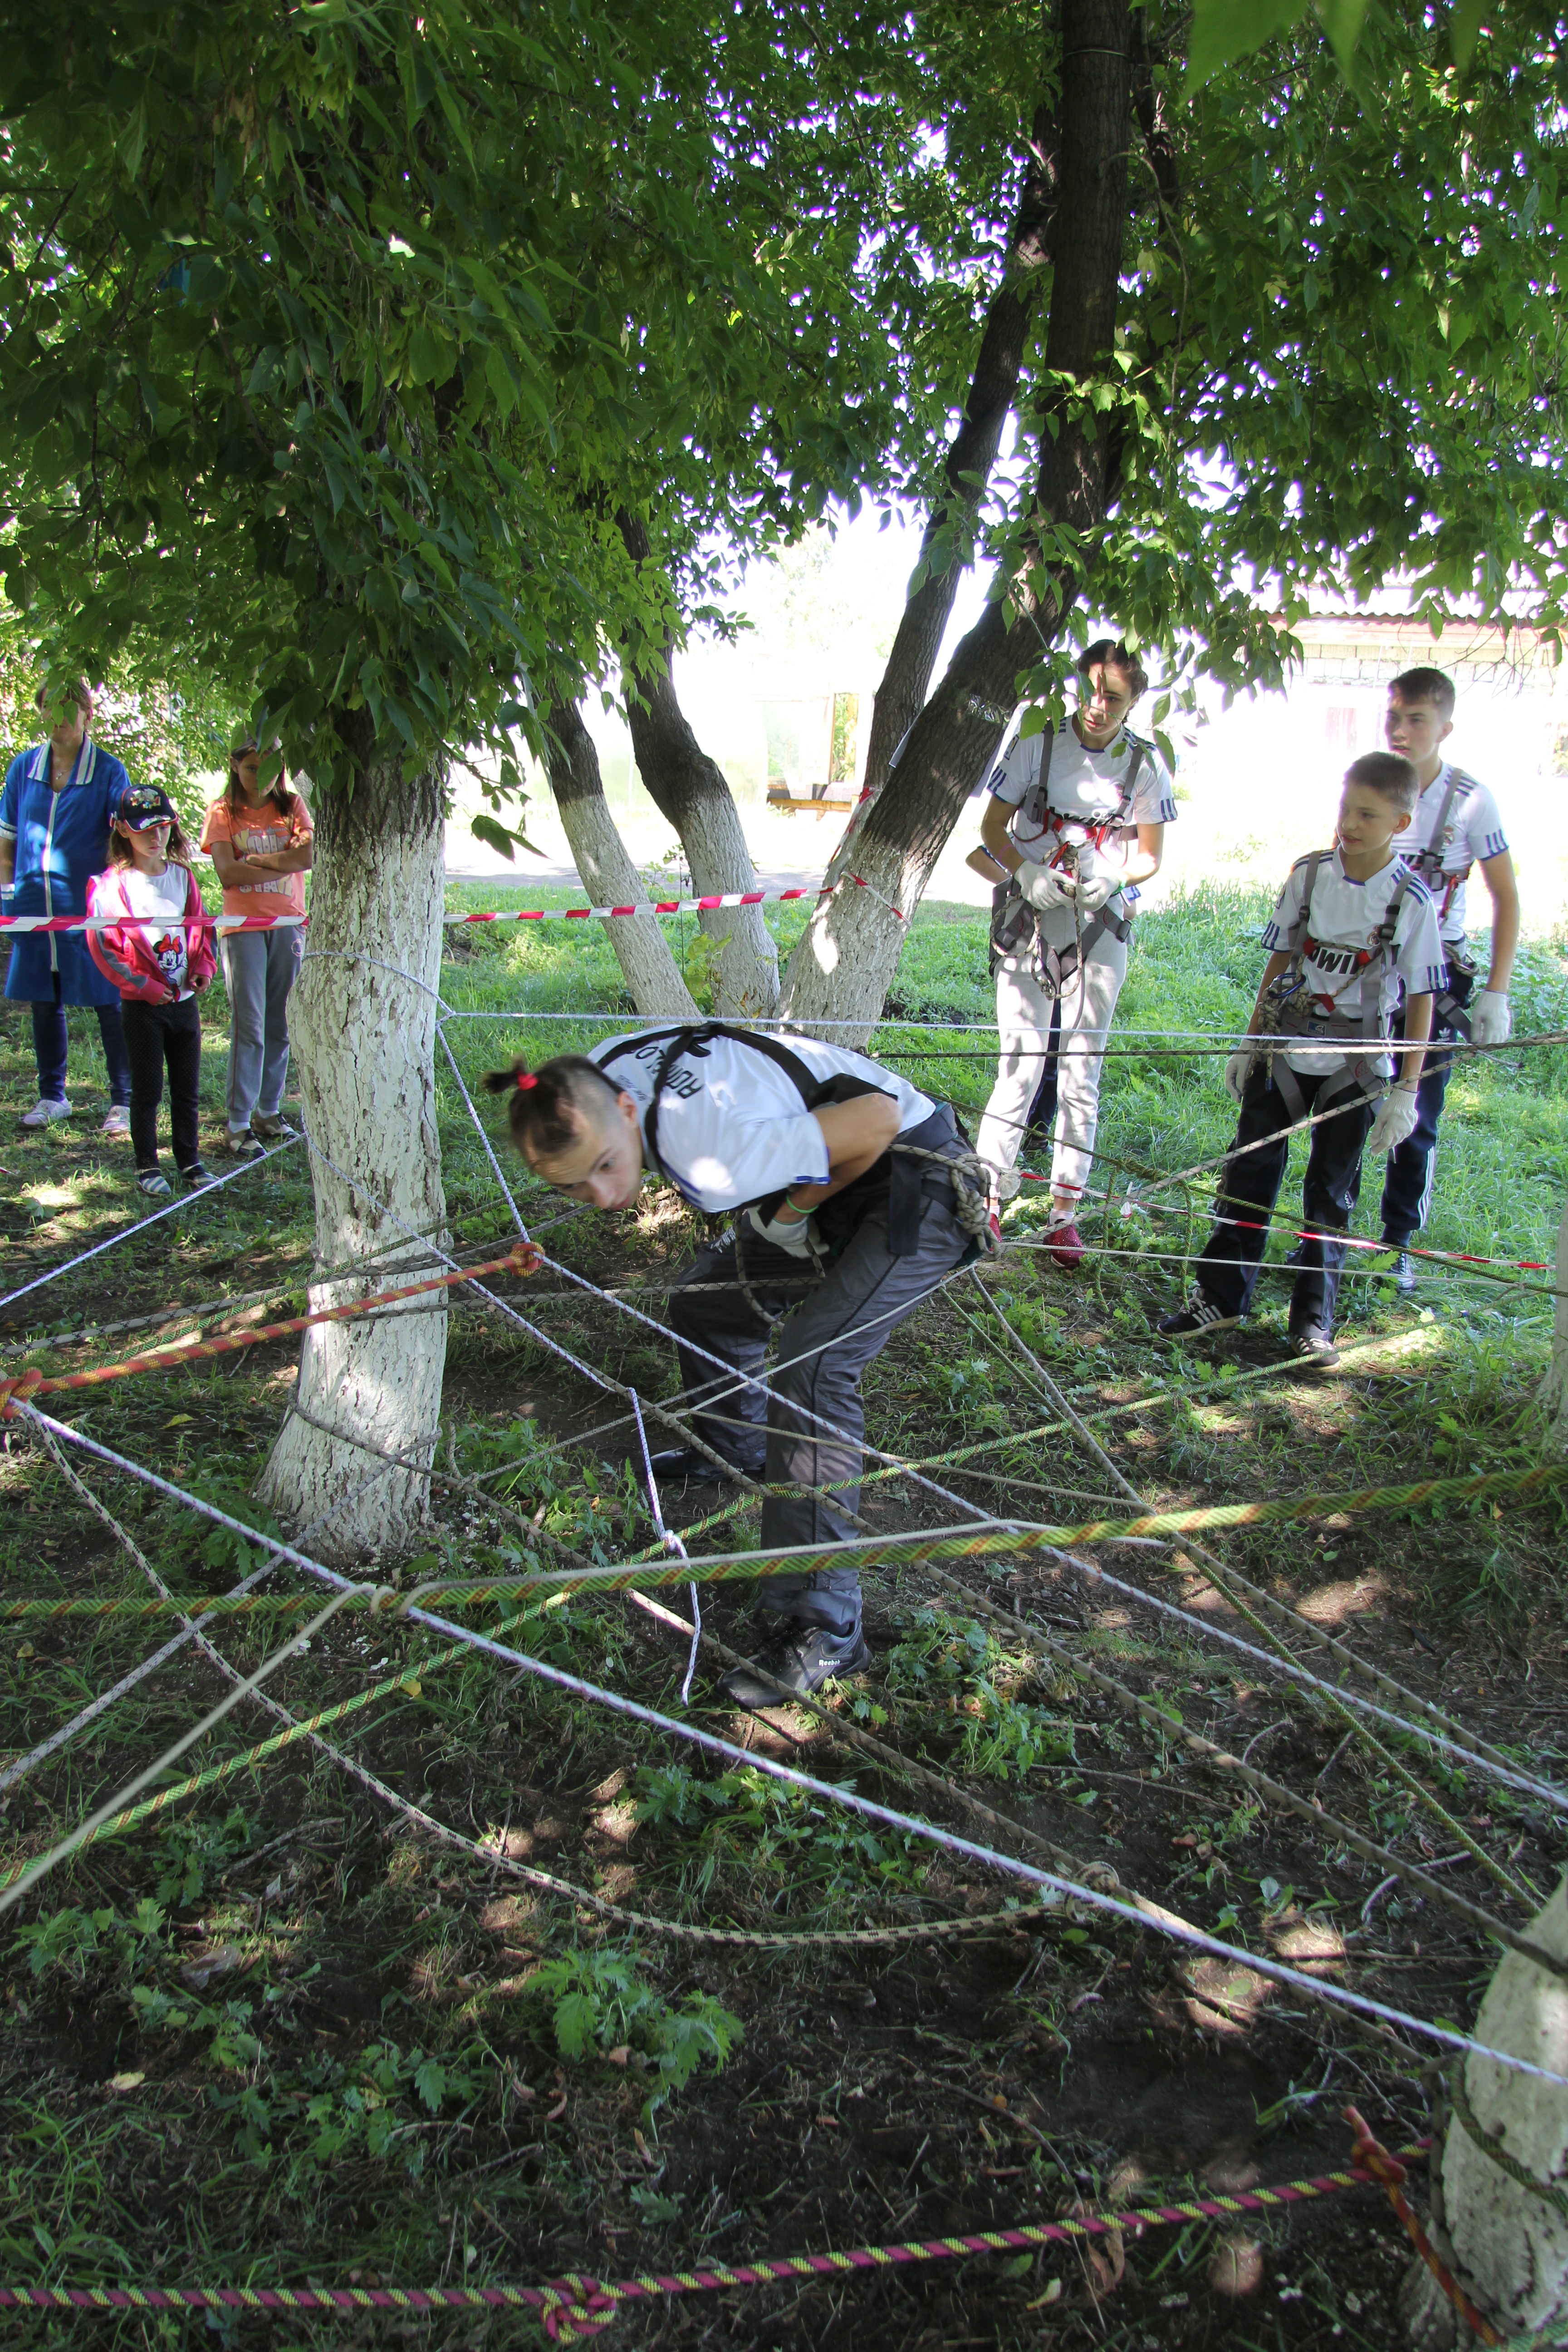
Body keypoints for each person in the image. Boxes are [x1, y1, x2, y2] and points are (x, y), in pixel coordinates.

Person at [482, 1026, 990, 1703]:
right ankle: (737, 1448)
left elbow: (880, 1118)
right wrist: (793, 1208)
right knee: (707, 1304)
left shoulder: (709, 1156)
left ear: (627, 1111)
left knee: (815, 1365)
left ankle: (830, 1624)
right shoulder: (590, 1071)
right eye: (573, 1188)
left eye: (606, 1166)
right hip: (830, 1160)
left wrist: (795, 1209)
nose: (602, 1198)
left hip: (917, 1179)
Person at [1157, 752, 1444, 1369]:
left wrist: (1407, 1089)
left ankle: (1313, 1322)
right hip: (1285, 1049)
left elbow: (1421, 999)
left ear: (1401, 819)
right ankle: (1220, 1297)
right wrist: (1250, 1039)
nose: (1351, 823)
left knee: (1330, 1194)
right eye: (1346, 809)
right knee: (1248, 1173)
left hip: (1357, 1063)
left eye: (1368, 814)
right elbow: (1280, 961)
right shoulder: (1309, 876)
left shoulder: (1411, 900)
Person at [973, 640, 1175, 1269]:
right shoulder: (1038, 745)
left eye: (1113, 697)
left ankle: (1066, 1211)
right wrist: (1025, 872)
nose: (1097, 706)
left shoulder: (1144, 767)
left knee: (1083, 1067)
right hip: (1028, 914)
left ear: (1134, 700)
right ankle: (988, 1197)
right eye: (1090, 689)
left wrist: (1118, 878)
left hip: (1099, 924)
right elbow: (989, 831)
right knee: (1020, 1059)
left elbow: (1150, 854)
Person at [1377, 667, 1518, 1291]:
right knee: (1347, 1101)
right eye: (1394, 717)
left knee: (1417, 1112)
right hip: (1369, 966)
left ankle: (1397, 1242)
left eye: (1417, 720)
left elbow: (1506, 897)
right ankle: (1330, 1230)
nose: (1402, 731)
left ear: (1445, 727)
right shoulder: (1373, 784)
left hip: (1436, 974)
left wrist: (1496, 992)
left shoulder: (1470, 800)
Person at [0, 680, 133, 1133]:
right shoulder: (23, 769)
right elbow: (6, 846)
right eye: (50, 707)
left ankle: (124, 1100)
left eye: (69, 707)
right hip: (33, 905)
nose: (60, 716)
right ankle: (52, 1096)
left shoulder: (109, 771)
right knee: (43, 1001)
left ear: (88, 714)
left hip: (89, 909)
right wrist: (8, 900)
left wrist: (116, 902)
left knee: (108, 1002)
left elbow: (124, 844)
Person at [86, 788, 218, 1198]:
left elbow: (200, 931)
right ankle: (147, 1165)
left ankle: (190, 1160)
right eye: (144, 829)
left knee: (187, 1088)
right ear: (123, 830)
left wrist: (202, 968)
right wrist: (143, 986)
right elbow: (104, 948)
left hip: (184, 1005)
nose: (155, 837)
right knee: (147, 1090)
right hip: (142, 1008)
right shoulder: (111, 887)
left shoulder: (183, 877)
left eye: (163, 826)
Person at [199, 741, 313, 1159]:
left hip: (288, 924)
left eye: (269, 769)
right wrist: (283, 858)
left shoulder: (293, 806)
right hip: (243, 928)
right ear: (233, 765)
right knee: (251, 1025)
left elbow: (309, 855)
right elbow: (227, 872)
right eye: (250, 769)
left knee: (281, 1022)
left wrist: (261, 861)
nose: (260, 779)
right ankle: (239, 1123)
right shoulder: (222, 812)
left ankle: (269, 1110)